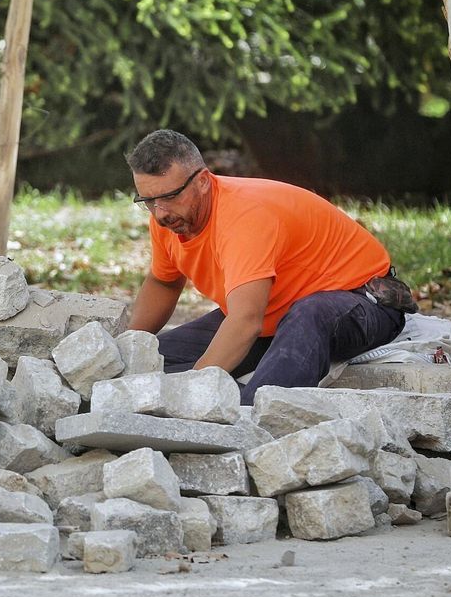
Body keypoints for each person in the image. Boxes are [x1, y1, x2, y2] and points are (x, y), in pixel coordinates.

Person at [125, 129, 412, 405]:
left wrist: (194, 394)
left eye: (170, 196)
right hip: (274, 317)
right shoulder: (168, 219)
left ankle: (250, 421)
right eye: (148, 201)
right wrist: (121, 351)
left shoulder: (244, 216)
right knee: (148, 361)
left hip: (366, 302)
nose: (160, 213)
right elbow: (164, 282)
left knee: (309, 315)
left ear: (202, 181)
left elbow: (246, 321)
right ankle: (230, 396)